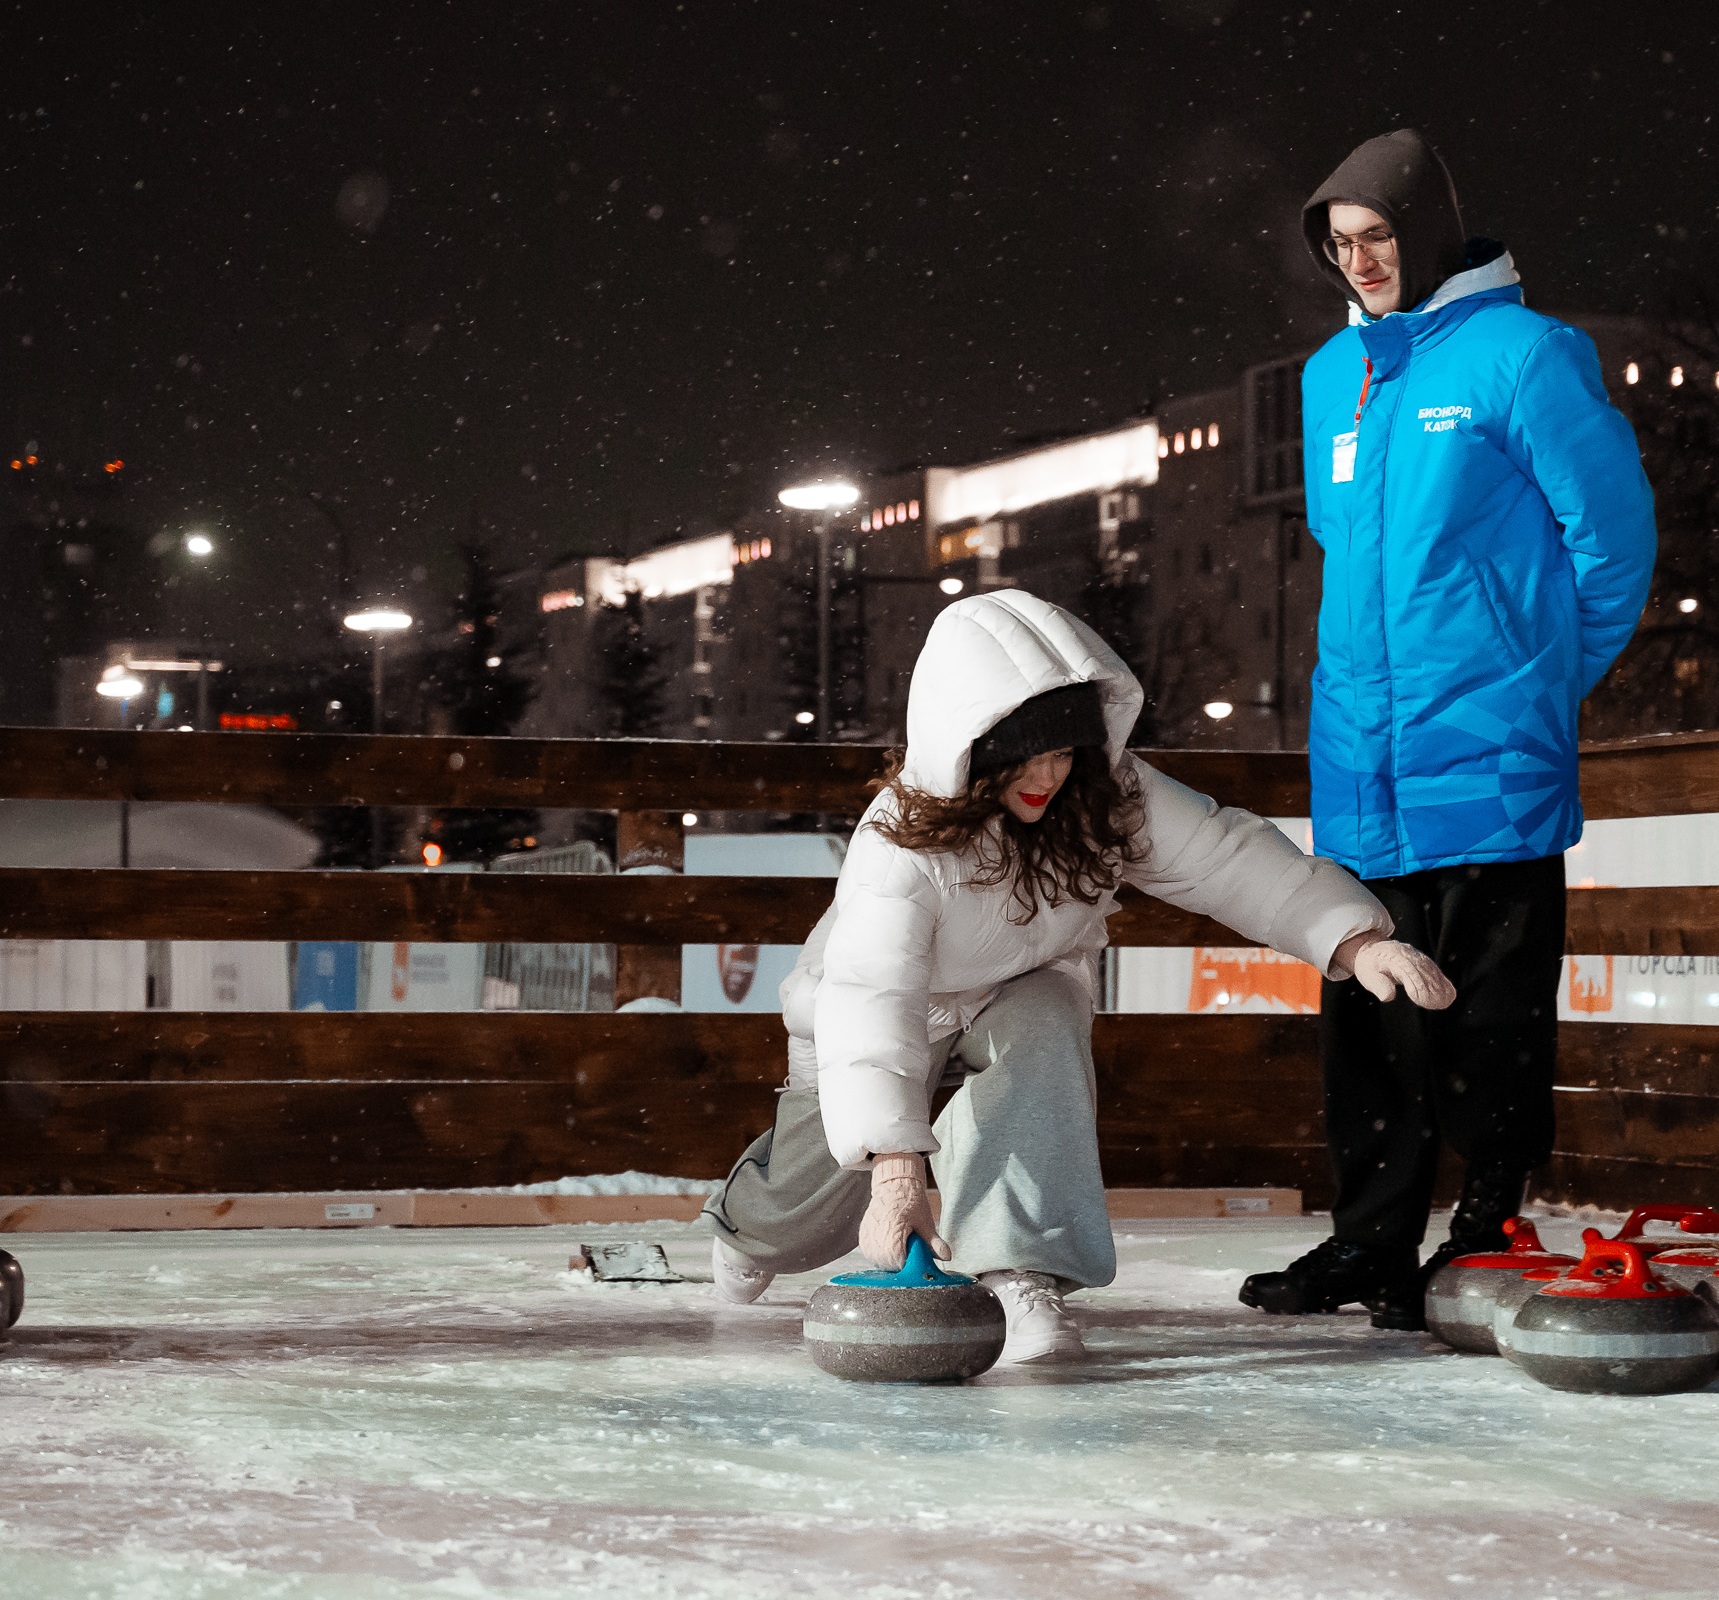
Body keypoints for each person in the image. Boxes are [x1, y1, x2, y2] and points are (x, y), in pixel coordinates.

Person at [705, 591, 1455, 1362]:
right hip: (888, 1010)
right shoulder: (900, 845)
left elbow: (1226, 859)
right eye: (1024, 756)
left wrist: (1357, 940)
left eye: (1063, 751)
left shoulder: (1107, 793)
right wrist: (898, 1174)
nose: (1047, 776)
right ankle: (750, 1228)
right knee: (817, 1196)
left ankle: (1025, 1272)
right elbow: (874, 999)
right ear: (973, 747)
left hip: (1025, 981)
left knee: (1044, 1026)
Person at [1239, 128, 1656, 1329]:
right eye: (1340, 244)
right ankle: (1370, 1243)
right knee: (1370, 1020)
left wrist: (1535, 684)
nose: (1359, 262)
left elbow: (1613, 543)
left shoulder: (1526, 357)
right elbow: (1353, 559)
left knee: (1490, 1018)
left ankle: (1489, 1232)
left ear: (1423, 233)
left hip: (1491, 760)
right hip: (1363, 763)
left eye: (1376, 238)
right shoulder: (1334, 377)